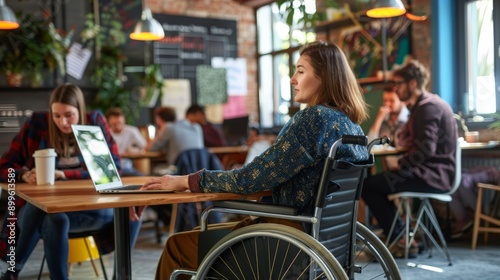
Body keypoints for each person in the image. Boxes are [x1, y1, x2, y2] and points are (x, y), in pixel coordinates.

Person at [140, 41, 370, 279]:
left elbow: (248, 180)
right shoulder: (351, 126)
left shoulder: (311, 119)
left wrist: (187, 181)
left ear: (325, 77)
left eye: (301, 71)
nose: (292, 79)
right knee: (205, 233)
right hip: (326, 239)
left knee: (177, 245)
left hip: (284, 238)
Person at [0, 84, 143, 280]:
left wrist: (65, 175)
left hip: (88, 209)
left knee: (131, 208)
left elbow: (112, 170)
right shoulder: (39, 124)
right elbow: (5, 165)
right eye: (57, 116)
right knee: (52, 216)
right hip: (44, 211)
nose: (63, 122)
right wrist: (23, 174)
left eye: (69, 115)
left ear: (81, 111)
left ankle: (120, 276)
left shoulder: (93, 123)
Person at [361, 60, 457, 257]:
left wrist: (401, 163)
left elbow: (426, 149)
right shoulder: (427, 104)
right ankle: (403, 238)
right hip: (434, 173)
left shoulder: (426, 108)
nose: (396, 89)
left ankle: (400, 238)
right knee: (375, 183)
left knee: (366, 186)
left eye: (399, 84)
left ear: (413, 83)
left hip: (431, 176)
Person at [147, 106, 204, 174]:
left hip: (179, 169)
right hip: (199, 168)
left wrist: (161, 130)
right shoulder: (197, 127)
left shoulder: (168, 128)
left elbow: (150, 148)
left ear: (159, 119)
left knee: (154, 171)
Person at [367, 86, 409, 170]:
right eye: (385, 100)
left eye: (391, 101)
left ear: (402, 101)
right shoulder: (384, 121)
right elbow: (370, 145)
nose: (387, 104)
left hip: (407, 171)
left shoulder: (409, 119)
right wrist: (379, 119)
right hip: (390, 173)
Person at [106, 107, 147, 176]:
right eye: (114, 124)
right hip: (109, 169)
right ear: (109, 122)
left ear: (123, 120)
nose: (117, 127)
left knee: (143, 177)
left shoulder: (132, 131)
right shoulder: (105, 133)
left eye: (120, 123)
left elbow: (145, 147)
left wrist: (137, 150)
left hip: (126, 168)